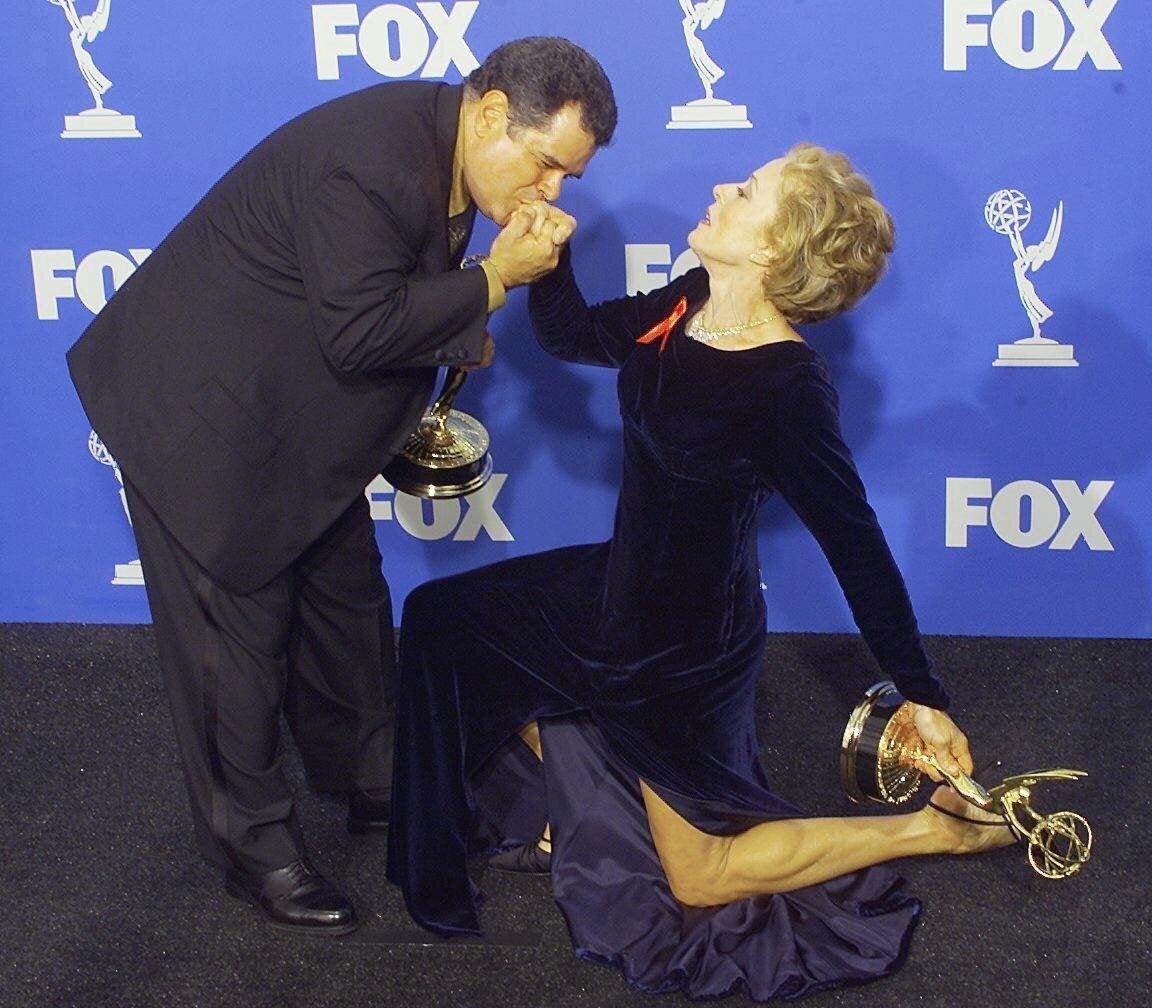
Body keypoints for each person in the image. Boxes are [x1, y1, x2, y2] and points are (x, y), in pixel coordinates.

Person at [386, 144, 1015, 998]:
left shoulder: (788, 388)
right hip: (614, 585)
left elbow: (855, 546)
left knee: (702, 880)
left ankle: (932, 833)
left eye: (747, 191)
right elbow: (572, 333)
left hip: (683, 651)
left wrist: (922, 693)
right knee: (442, 619)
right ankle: (576, 796)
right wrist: (550, 254)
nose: (723, 186)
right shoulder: (689, 302)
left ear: (771, 248)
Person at [65, 37, 617, 936]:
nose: (552, 190)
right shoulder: (372, 161)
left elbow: (372, 294)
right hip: (202, 421)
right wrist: (491, 282)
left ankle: (373, 784)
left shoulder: (442, 148)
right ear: (488, 114)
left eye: (568, 175)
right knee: (231, 652)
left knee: (349, 605)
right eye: (548, 163)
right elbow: (359, 333)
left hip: (294, 413)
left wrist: (453, 328)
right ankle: (252, 848)